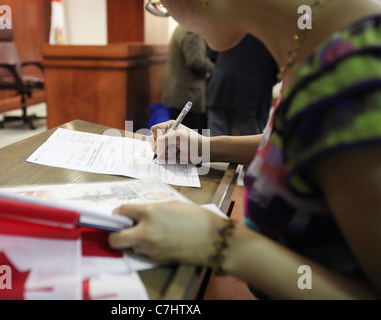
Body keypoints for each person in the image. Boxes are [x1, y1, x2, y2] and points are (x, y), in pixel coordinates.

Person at [110, 0, 381, 299]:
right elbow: (301, 146)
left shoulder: (355, 75)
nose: (166, 11)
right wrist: (207, 148)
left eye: (159, 2)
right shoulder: (316, 44)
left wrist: (220, 242)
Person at [206, 34, 278, 136]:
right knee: (249, 141)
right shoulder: (269, 32)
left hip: (222, 86)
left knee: (216, 139)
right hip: (253, 91)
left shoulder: (233, 23)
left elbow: (212, 53)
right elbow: (280, 66)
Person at [160, 24, 215, 131]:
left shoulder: (182, 27)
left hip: (178, 94)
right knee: (189, 140)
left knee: (178, 136)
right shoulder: (193, 31)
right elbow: (196, 61)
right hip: (188, 95)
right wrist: (215, 69)